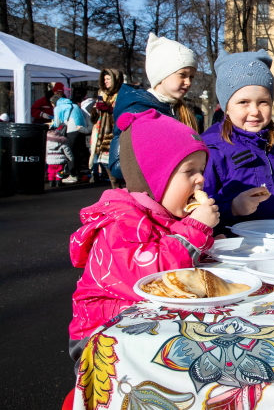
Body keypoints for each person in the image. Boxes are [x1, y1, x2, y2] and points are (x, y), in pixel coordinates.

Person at [68, 109, 219, 367]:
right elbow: (151, 276)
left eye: (202, 169)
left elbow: (174, 256)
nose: (201, 178)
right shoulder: (120, 225)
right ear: (154, 178)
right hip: (102, 337)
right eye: (189, 171)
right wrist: (194, 231)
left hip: (144, 322)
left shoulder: (163, 216)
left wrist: (203, 244)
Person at [202, 49, 274, 234]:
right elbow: (197, 211)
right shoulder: (211, 151)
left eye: (263, 102)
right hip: (233, 244)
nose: (255, 111)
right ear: (226, 107)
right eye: (243, 102)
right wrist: (232, 207)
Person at [108, 33, 198, 181]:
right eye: (182, 75)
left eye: (191, 77)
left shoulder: (181, 111)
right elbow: (118, 167)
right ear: (162, 74)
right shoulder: (137, 111)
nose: (188, 82)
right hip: (150, 191)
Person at [90, 69, 124, 188]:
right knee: (107, 165)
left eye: (108, 79)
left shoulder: (121, 94)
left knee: (117, 165)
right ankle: (117, 190)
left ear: (115, 79)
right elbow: (93, 119)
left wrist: (110, 109)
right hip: (102, 136)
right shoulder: (103, 94)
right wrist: (96, 109)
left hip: (115, 136)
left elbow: (124, 115)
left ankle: (122, 190)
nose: (105, 82)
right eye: (104, 79)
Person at [51, 85, 89, 184]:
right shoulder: (72, 104)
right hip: (82, 129)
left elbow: (57, 124)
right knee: (77, 153)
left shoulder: (58, 107)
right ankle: (78, 174)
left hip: (72, 129)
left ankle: (72, 175)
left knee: (69, 153)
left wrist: (50, 126)